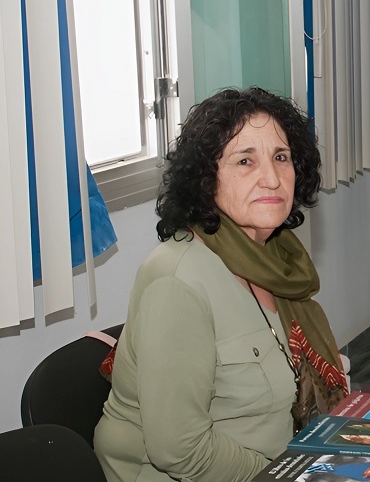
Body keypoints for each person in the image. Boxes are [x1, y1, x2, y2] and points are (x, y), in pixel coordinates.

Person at [95, 87, 348, 482]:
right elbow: (181, 451)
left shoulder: (277, 258)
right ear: (205, 179)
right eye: (245, 160)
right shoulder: (176, 280)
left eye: (281, 157)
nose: (271, 177)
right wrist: (285, 475)